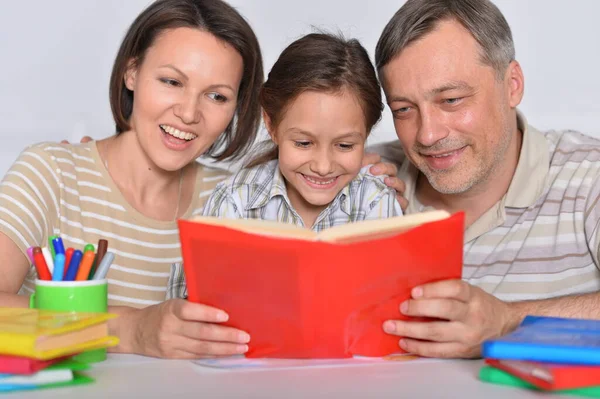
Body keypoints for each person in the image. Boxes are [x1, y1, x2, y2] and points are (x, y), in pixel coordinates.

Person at [0, 0, 403, 358]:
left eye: (217, 96)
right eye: (172, 81)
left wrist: (369, 173)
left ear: (239, 108)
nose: (189, 113)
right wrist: (129, 329)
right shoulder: (51, 173)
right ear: (132, 73)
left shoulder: (233, 200)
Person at [374, 0, 600, 359]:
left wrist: (509, 321)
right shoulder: (363, 176)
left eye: (451, 99)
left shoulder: (590, 176)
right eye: (403, 110)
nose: (428, 134)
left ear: (512, 85)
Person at [167, 33, 403, 300]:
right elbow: (195, 303)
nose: (323, 167)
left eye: (345, 146)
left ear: (367, 133)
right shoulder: (237, 200)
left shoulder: (375, 201)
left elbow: (390, 303)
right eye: (303, 143)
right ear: (272, 125)